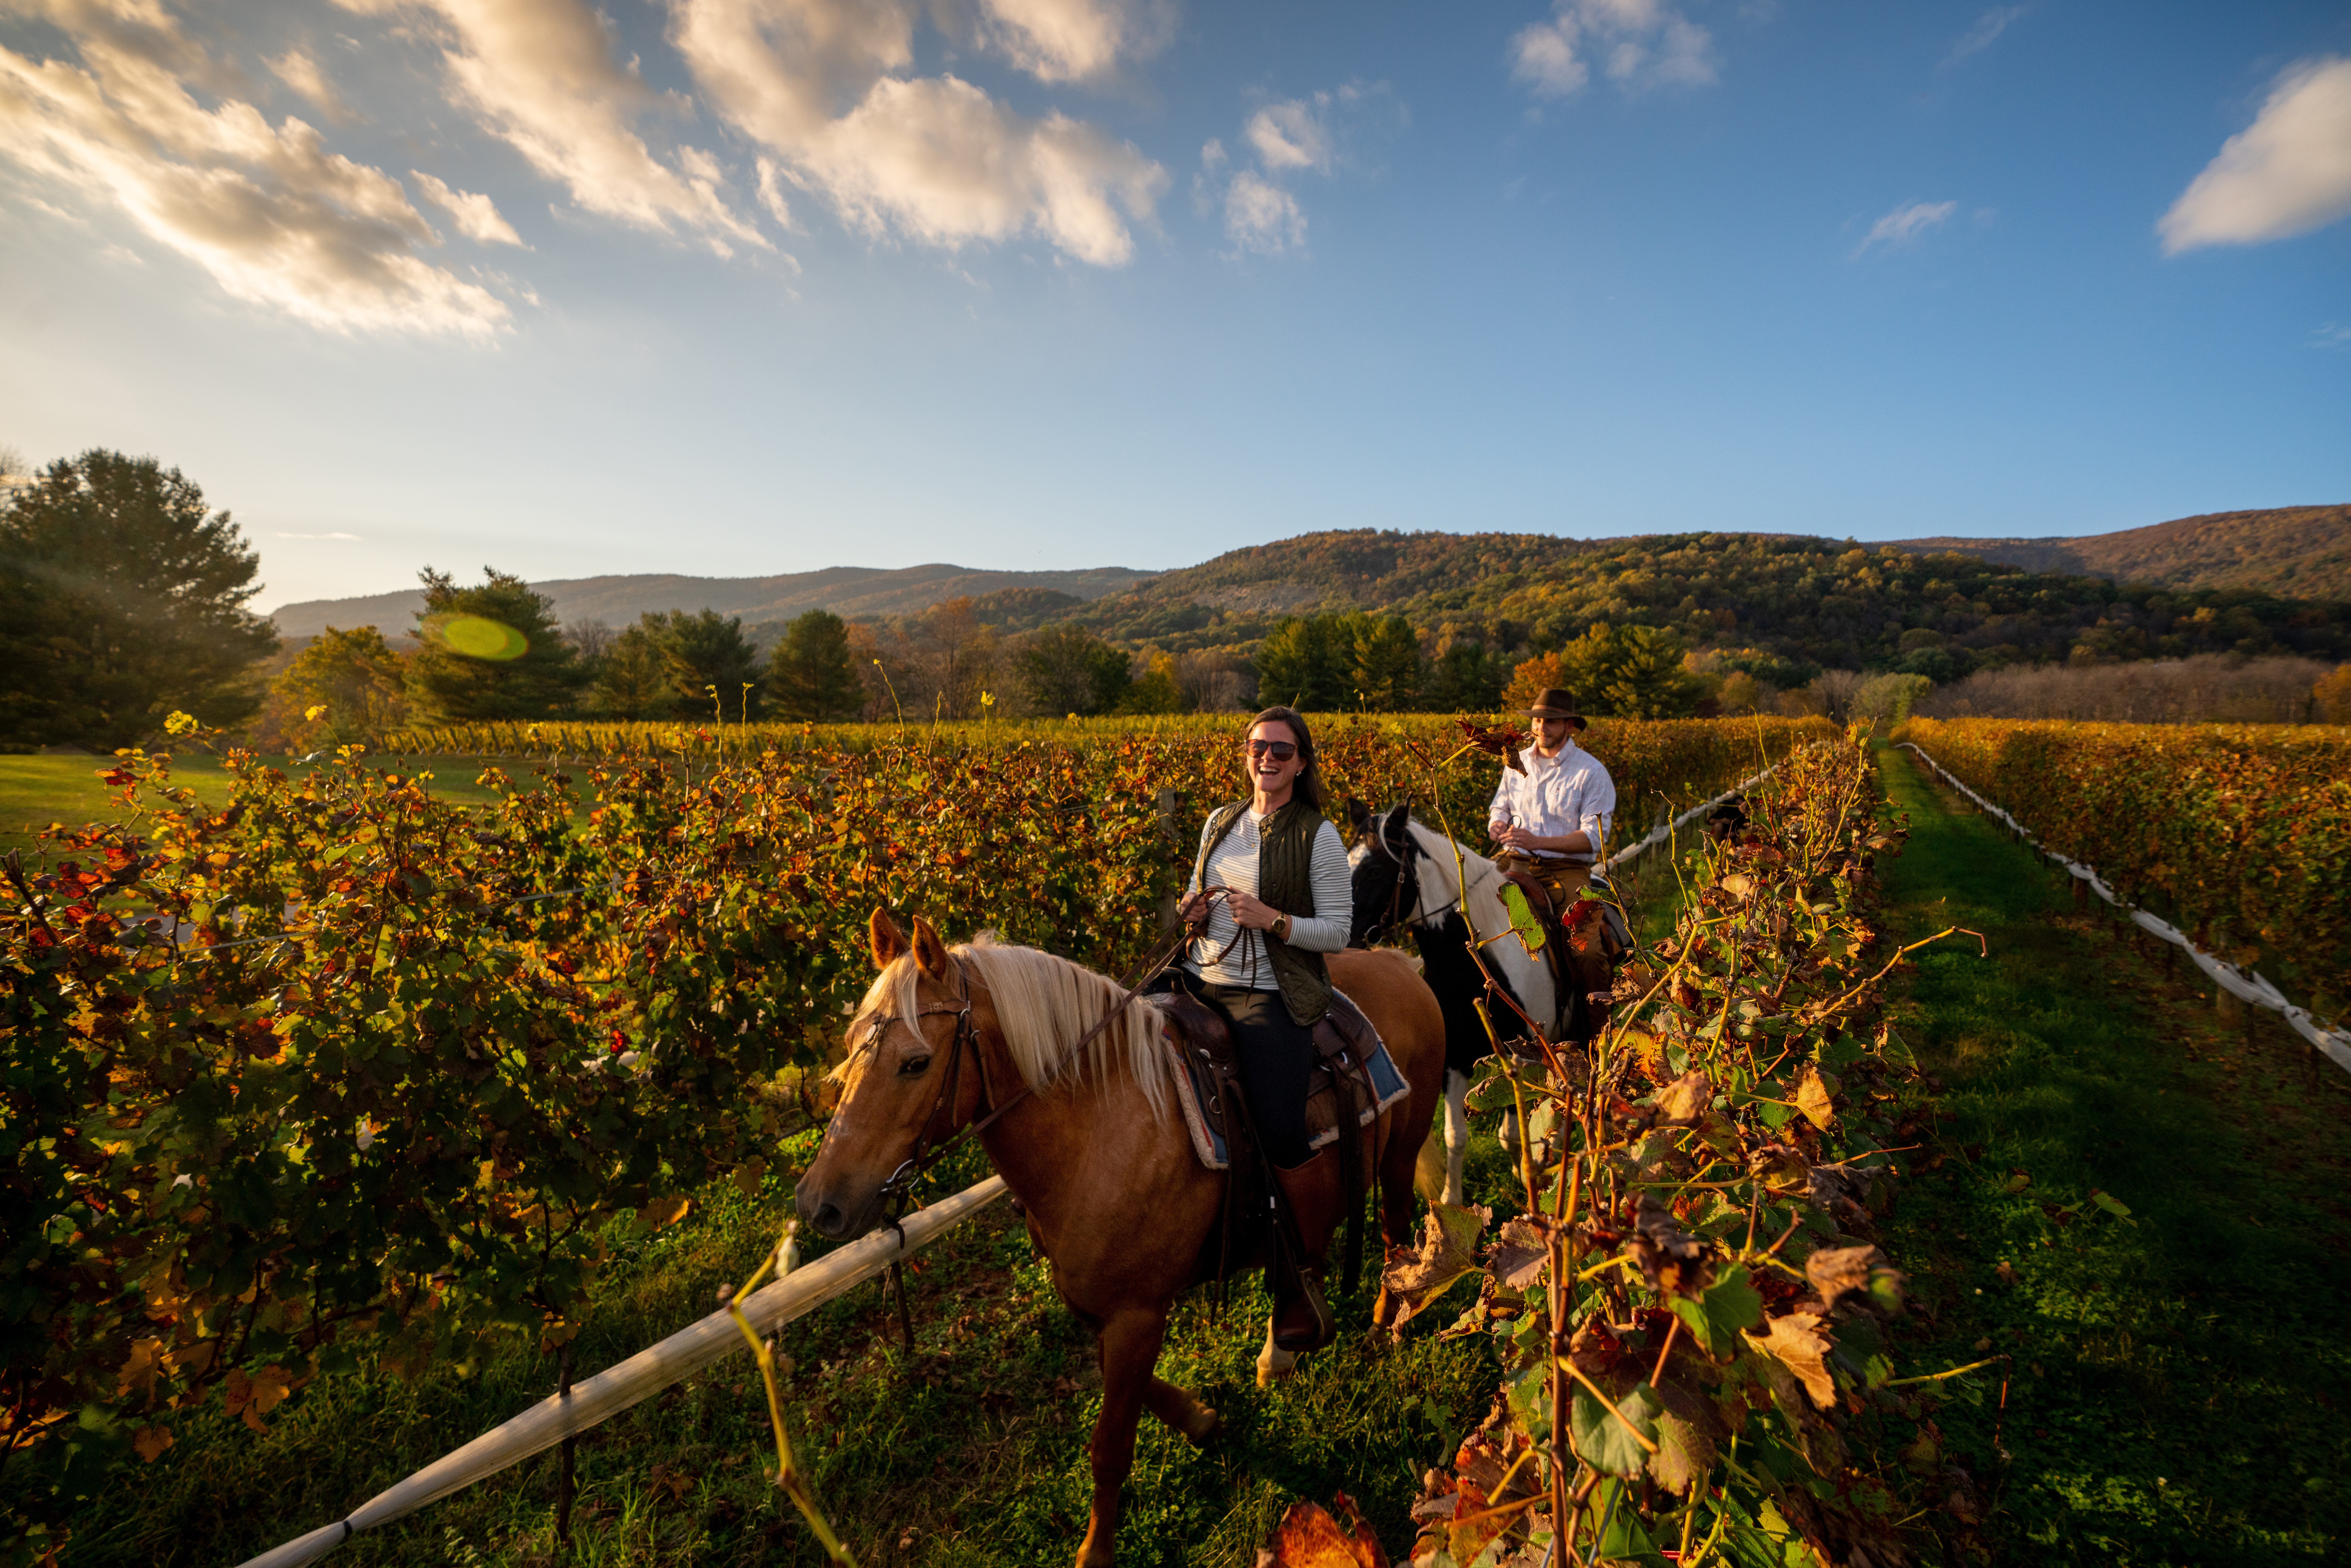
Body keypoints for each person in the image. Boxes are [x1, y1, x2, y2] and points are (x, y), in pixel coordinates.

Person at [1172, 705, 1353, 1353]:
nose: (1267, 758)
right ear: (1245, 754)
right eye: (1257, 747)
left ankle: (1302, 1269)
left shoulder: (1318, 836)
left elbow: (1339, 930)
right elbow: (1199, 892)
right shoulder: (1219, 822)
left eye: (1281, 750)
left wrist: (1273, 919)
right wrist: (1191, 909)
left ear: (1301, 762)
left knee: (1280, 1131)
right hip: (1199, 977)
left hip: (1268, 996)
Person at [1487, 686, 1617, 916]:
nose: (1541, 728)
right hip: (1513, 859)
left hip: (1565, 868)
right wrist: (1497, 823)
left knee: (1581, 941)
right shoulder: (1517, 761)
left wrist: (1537, 842)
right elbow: (1501, 806)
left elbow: (1594, 838)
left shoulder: (1592, 772)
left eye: (1551, 722)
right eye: (1537, 720)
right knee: (1468, 896)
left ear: (1569, 726)